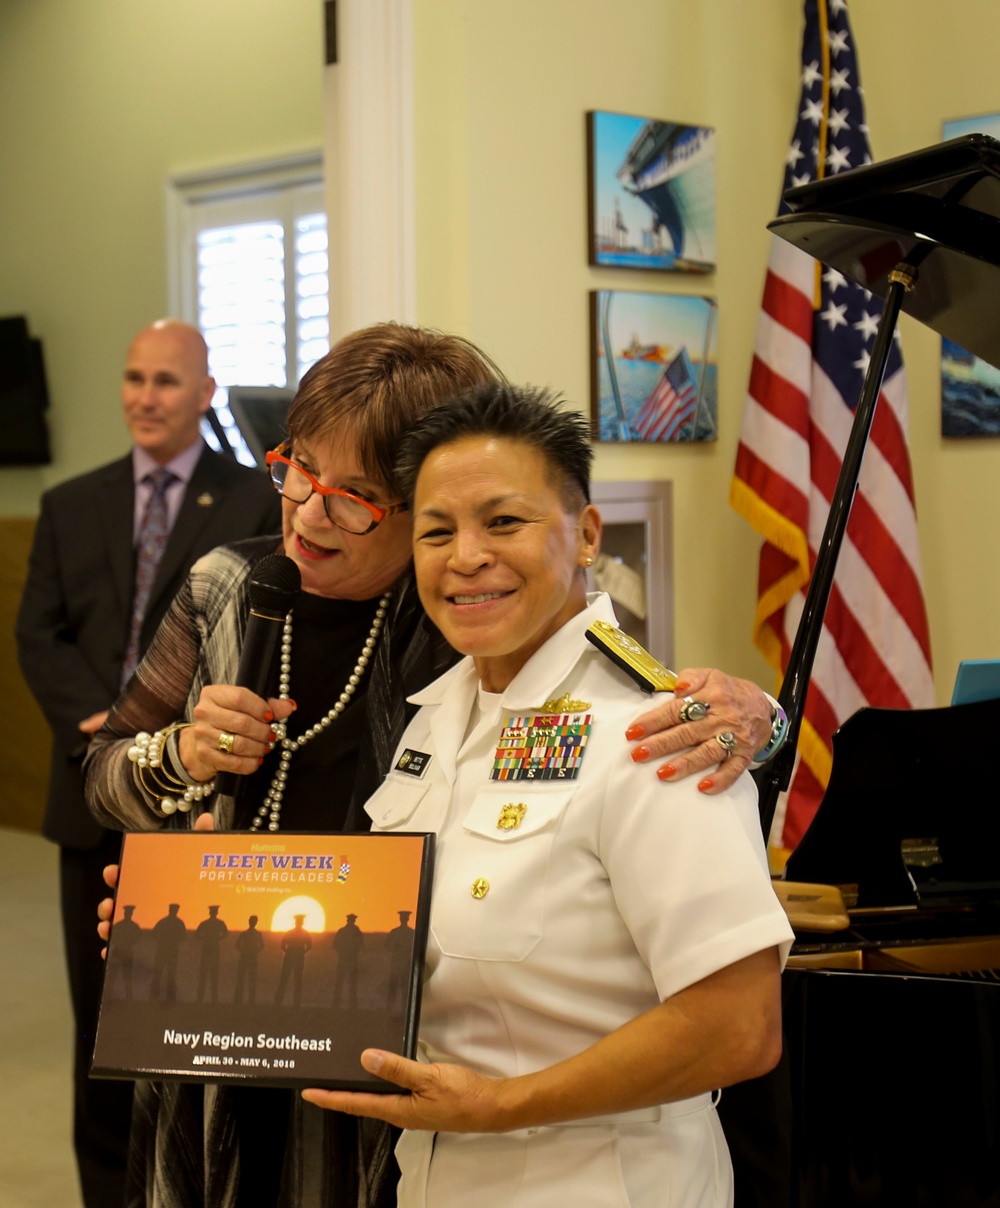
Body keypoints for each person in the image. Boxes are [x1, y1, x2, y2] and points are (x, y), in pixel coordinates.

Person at [88, 322, 782, 1208]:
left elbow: (640, 720)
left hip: (412, 1095)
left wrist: (764, 710)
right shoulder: (255, 598)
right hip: (235, 1035)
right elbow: (106, 771)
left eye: (356, 498)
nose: (306, 512)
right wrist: (176, 900)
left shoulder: (477, 643)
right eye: (296, 470)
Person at [302, 383, 795, 1206]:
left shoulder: (655, 731)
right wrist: (172, 941)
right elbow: (391, 943)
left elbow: (739, 1027)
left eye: (504, 522)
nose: (465, 557)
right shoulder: (438, 720)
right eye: (436, 531)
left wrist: (502, 1107)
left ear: (588, 534)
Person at [15, 318, 281, 1208]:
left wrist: (156, 733)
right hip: (87, 796)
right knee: (98, 1028)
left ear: (206, 393)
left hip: (199, 804)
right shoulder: (71, 503)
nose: (145, 397)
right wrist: (105, 726)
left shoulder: (253, 500)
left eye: (167, 381)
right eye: (134, 378)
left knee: (180, 1019)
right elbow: (37, 634)